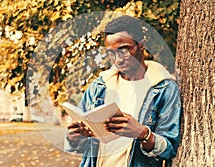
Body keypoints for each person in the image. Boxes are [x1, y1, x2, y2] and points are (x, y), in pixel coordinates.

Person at [64, 15, 181, 167]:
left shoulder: (164, 89)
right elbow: (79, 147)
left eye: (124, 50)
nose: (118, 59)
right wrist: (73, 138)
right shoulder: (99, 87)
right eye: (111, 53)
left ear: (142, 45)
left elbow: (170, 147)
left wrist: (143, 134)